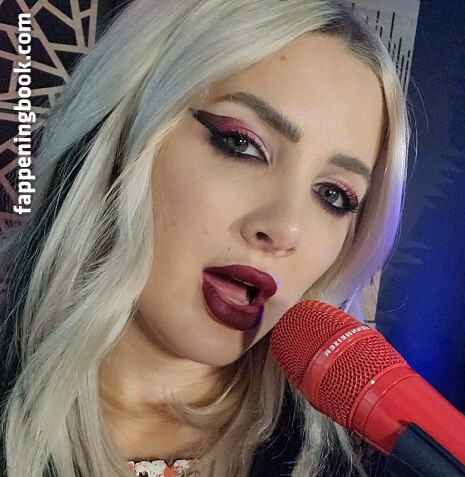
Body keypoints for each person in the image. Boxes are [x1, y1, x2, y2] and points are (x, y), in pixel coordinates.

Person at [0, 0, 409, 476]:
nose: (285, 228)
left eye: (333, 195)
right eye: (242, 144)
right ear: (125, 132)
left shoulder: (346, 463)